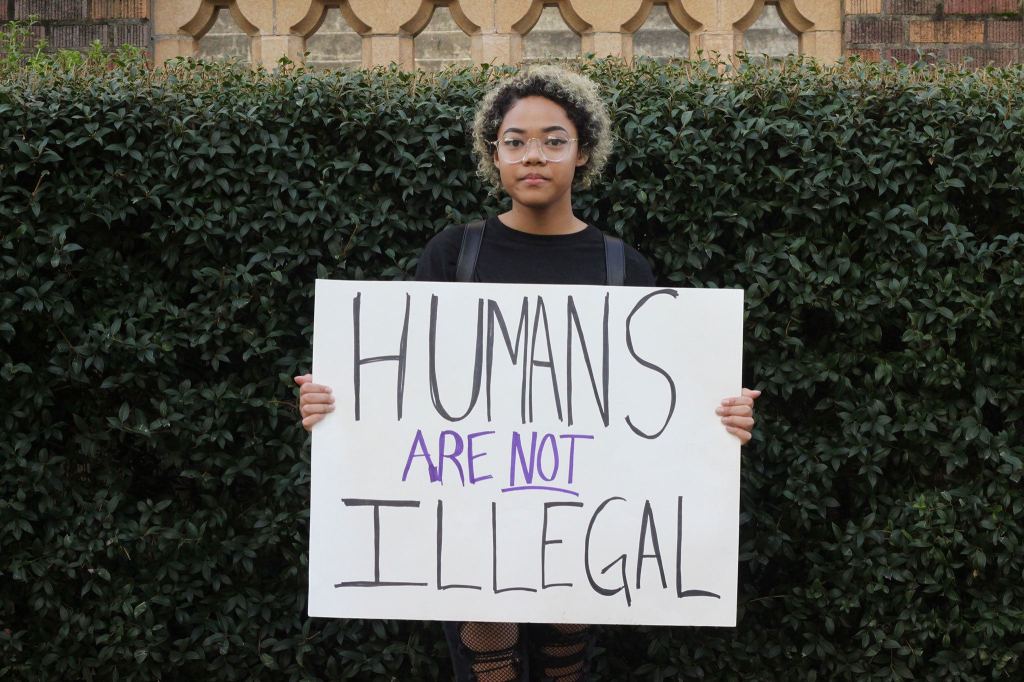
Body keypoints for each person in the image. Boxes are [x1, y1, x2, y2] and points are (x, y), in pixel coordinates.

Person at [294, 65, 760, 682]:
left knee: (563, 667)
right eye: (514, 141)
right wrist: (335, 408)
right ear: (494, 153)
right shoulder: (454, 254)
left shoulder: (623, 267)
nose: (533, 155)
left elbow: (656, 402)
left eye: (553, 139)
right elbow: (404, 382)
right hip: (469, 514)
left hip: (582, 517)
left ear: (583, 150)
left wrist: (719, 419)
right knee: (490, 668)